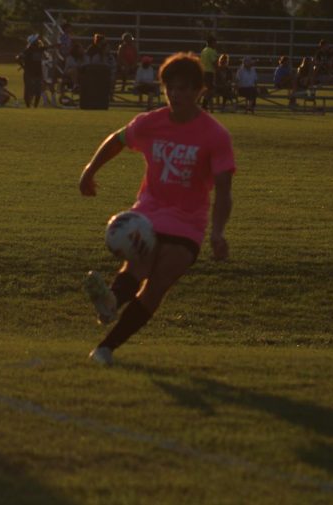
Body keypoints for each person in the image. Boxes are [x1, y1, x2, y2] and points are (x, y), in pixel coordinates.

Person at [78, 52, 235, 366]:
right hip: (148, 213)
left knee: (157, 284)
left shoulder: (215, 135)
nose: (177, 95)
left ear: (199, 90)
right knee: (137, 269)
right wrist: (89, 170)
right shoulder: (151, 122)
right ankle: (111, 302)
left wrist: (218, 233)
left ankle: (106, 347)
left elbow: (224, 190)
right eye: (171, 88)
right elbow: (117, 140)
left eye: (185, 89)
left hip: (188, 223)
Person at [18, 34, 47, 108]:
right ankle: (28, 106)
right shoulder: (27, 51)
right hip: (29, 73)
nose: (38, 41)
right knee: (28, 89)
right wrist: (23, 66)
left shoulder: (40, 49)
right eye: (37, 40)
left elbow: (48, 47)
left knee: (38, 90)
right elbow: (18, 58)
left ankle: (35, 106)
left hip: (38, 73)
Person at [199, 35, 218, 110]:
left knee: (208, 90)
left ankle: (204, 105)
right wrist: (218, 70)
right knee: (211, 90)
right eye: (215, 42)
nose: (216, 44)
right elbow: (214, 63)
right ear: (212, 43)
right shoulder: (212, 51)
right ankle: (203, 105)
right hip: (209, 73)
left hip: (203, 72)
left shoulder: (204, 50)